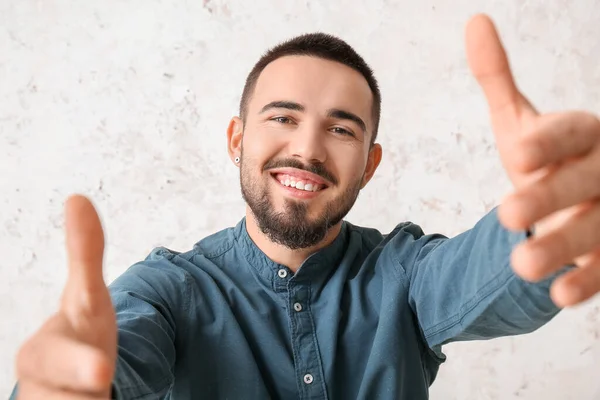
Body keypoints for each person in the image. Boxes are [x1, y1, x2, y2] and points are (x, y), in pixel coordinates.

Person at [10, 14, 600, 400]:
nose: (308, 149)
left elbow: (484, 272)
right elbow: (111, 356)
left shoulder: (405, 271)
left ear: (369, 164)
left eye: (341, 130)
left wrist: (548, 217)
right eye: (283, 118)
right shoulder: (167, 290)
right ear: (237, 139)